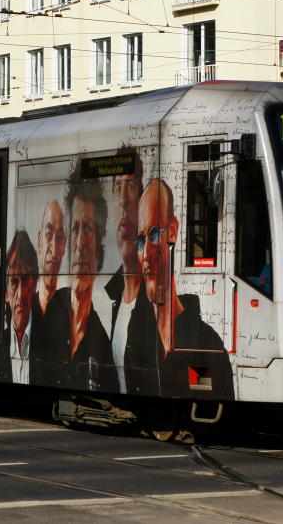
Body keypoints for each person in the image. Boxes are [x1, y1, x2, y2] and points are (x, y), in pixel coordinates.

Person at [137, 179, 234, 398]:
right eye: (141, 241)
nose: (146, 254)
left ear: (172, 231)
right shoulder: (133, 330)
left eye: (154, 234)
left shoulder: (207, 341)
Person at [50, 175, 117, 392]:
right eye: (75, 229)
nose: (80, 245)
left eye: (88, 228)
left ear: (100, 243)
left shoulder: (107, 337)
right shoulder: (46, 313)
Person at [105, 148, 158, 395]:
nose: (124, 199)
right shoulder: (107, 298)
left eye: (131, 186)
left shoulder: (156, 297)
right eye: (118, 189)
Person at [30, 199, 68, 384]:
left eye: (59, 237)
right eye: (48, 235)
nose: (53, 247)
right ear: (39, 241)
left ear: (65, 246)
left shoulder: (70, 308)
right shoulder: (25, 307)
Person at [0, 231, 38, 384]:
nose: (20, 295)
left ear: (35, 285)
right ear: (6, 293)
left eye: (26, 280)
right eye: (14, 282)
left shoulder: (49, 338)